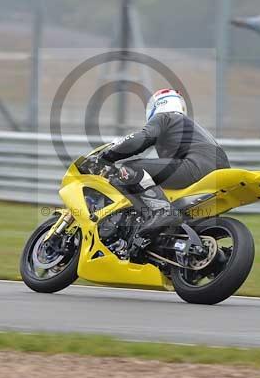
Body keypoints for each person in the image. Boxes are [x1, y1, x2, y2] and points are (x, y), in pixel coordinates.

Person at [93, 88, 230, 255]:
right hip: (216, 170)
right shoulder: (193, 127)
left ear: (157, 105)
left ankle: (162, 211)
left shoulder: (165, 117)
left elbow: (141, 139)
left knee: (131, 169)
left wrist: (107, 155)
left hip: (196, 166)